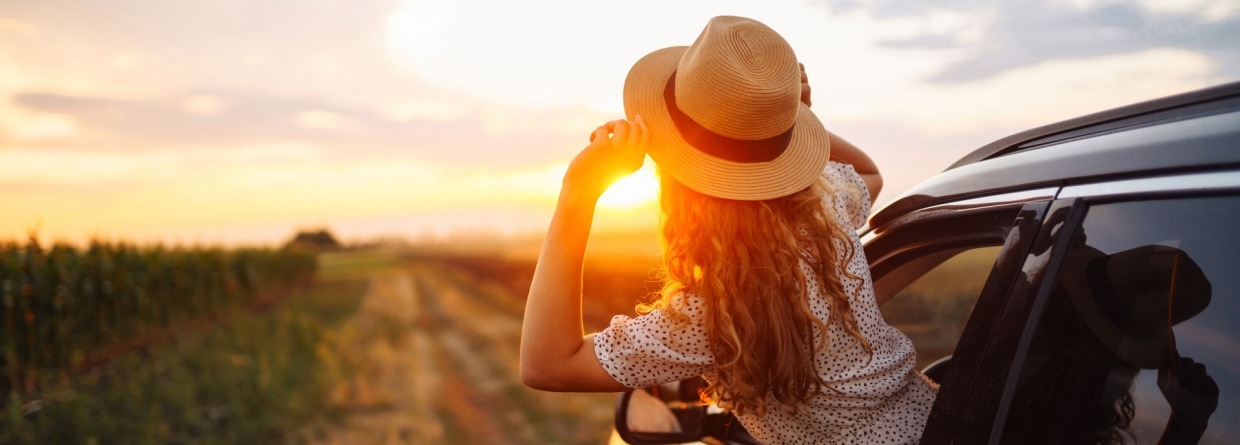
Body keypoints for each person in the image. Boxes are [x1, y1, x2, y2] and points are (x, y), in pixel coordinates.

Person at [520, 16, 937, 444]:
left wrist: (578, 195)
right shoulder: (824, 215)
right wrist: (786, 123)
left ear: (676, 172)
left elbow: (547, 365)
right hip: (940, 422)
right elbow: (869, 174)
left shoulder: (715, 313)